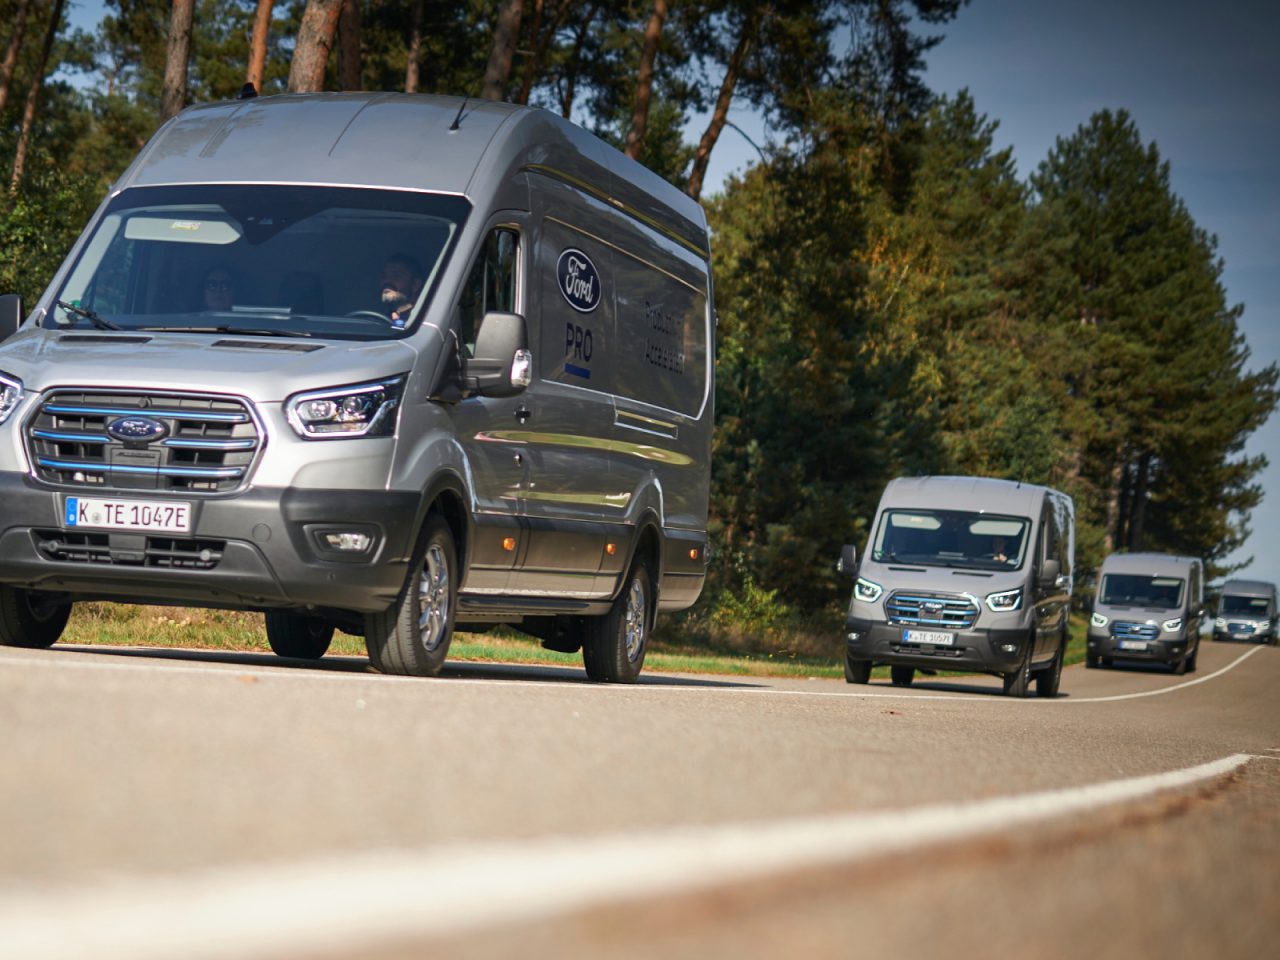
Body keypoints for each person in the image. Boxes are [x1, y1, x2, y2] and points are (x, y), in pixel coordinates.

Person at [379, 253, 425, 325]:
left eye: (396, 275)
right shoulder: (377, 319)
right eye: (384, 276)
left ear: (415, 285)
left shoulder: (424, 320)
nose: (386, 281)